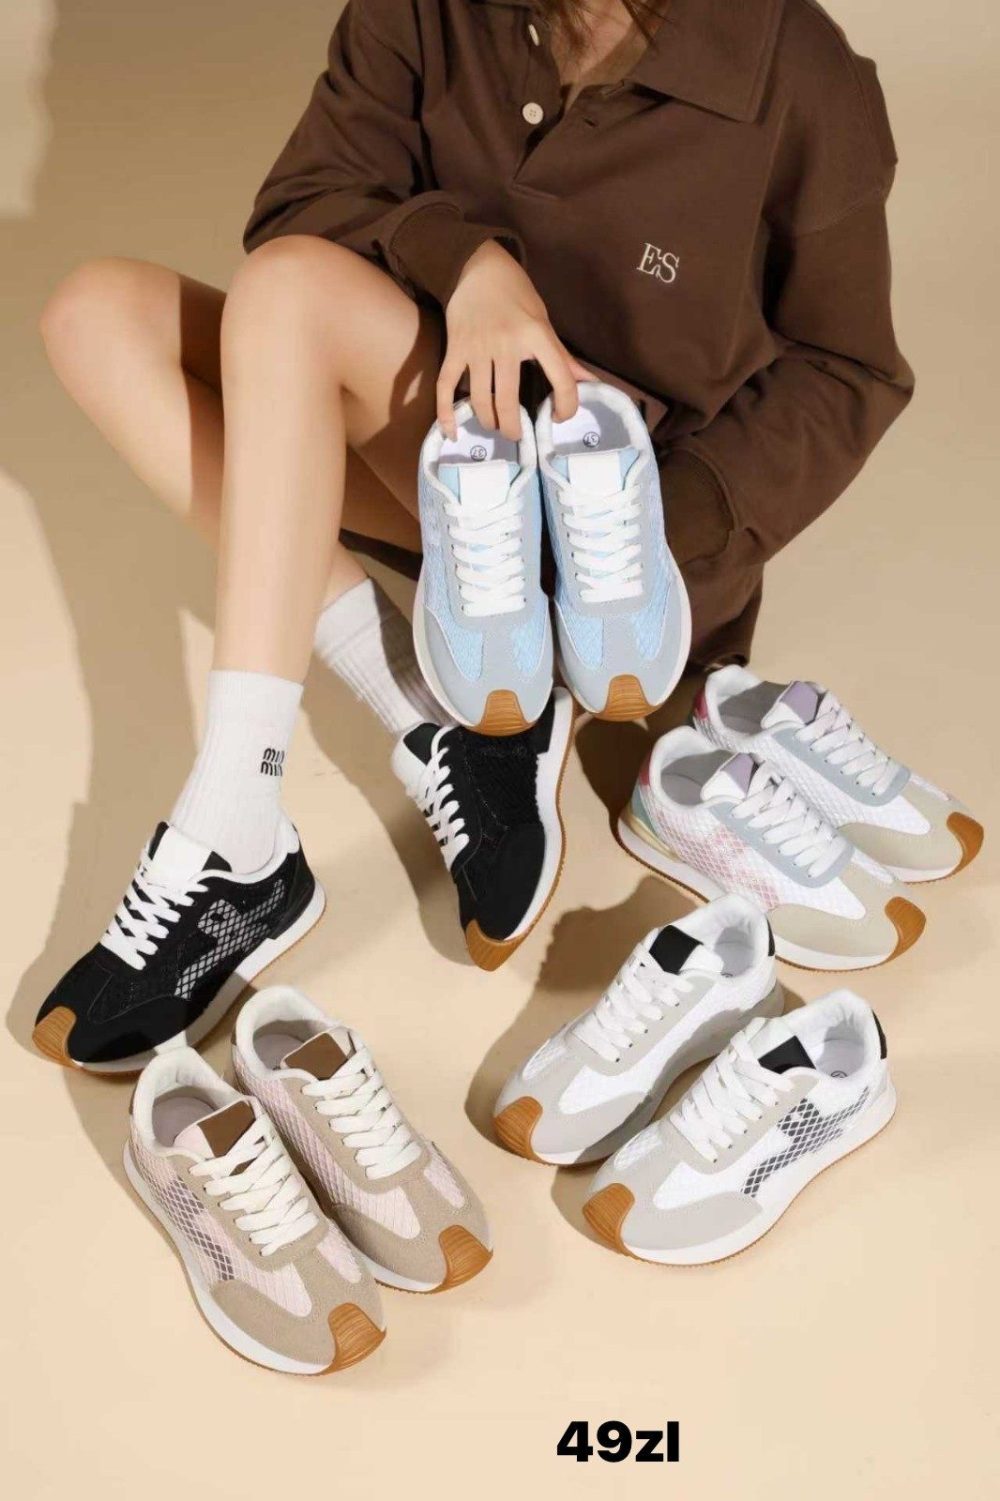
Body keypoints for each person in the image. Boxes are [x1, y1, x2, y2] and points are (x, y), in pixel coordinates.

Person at [33, 0, 912, 1069]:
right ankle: (432, 714)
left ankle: (233, 821)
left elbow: (847, 368)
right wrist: (473, 267)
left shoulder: (794, 67)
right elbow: (308, 198)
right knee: (97, 315)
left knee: (286, 293)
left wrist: (654, 532)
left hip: (614, 548)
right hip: (446, 471)